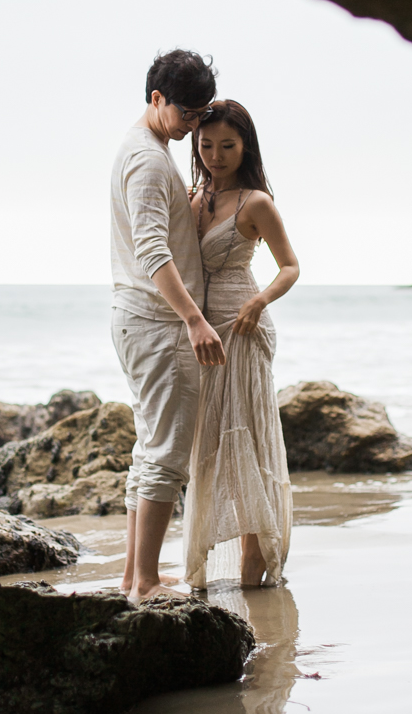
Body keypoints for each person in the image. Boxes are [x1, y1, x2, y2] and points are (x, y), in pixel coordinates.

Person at [111, 49, 225, 601]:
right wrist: (195, 320)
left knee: (148, 446)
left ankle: (135, 576)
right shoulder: (151, 159)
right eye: (188, 113)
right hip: (158, 325)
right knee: (167, 453)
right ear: (157, 99)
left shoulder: (146, 150)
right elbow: (152, 250)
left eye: (203, 113)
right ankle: (148, 582)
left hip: (140, 320)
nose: (195, 125)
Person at [184, 99, 299, 589]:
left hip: (245, 328)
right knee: (207, 441)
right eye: (206, 145)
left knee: (245, 438)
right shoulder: (193, 196)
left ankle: (254, 557)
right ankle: (203, 557)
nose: (215, 155)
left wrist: (259, 303)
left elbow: (290, 266)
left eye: (226, 145)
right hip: (204, 331)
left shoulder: (256, 202)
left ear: (245, 145)